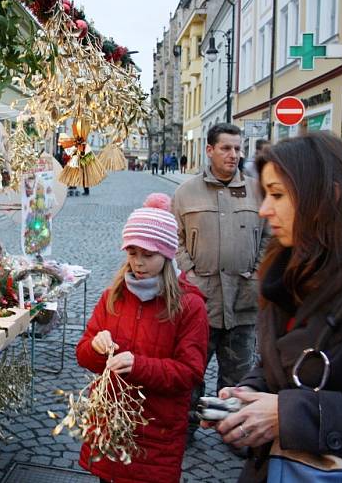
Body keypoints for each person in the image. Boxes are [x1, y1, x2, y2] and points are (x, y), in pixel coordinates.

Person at [208, 133, 342, 481]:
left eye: (277, 195)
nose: (264, 210)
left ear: (329, 198)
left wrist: (288, 415)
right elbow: (279, 365)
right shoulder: (290, 273)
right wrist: (250, 392)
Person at [76, 193, 208, 483]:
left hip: (156, 432)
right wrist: (97, 348)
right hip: (111, 425)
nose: (138, 263)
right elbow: (83, 353)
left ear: (167, 254)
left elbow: (190, 372)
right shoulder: (113, 296)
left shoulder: (189, 306)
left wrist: (138, 366)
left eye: (148, 255)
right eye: (132, 253)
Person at [172, 123, 269, 436]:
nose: (234, 155)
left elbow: (269, 237)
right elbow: (176, 238)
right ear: (209, 150)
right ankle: (185, 429)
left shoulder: (257, 190)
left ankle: (231, 431)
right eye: (226, 148)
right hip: (202, 302)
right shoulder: (186, 192)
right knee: (191, 373)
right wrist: (190, 274)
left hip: (243, 301)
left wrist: (256, 272)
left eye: (238, 148)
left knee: (237, 378)